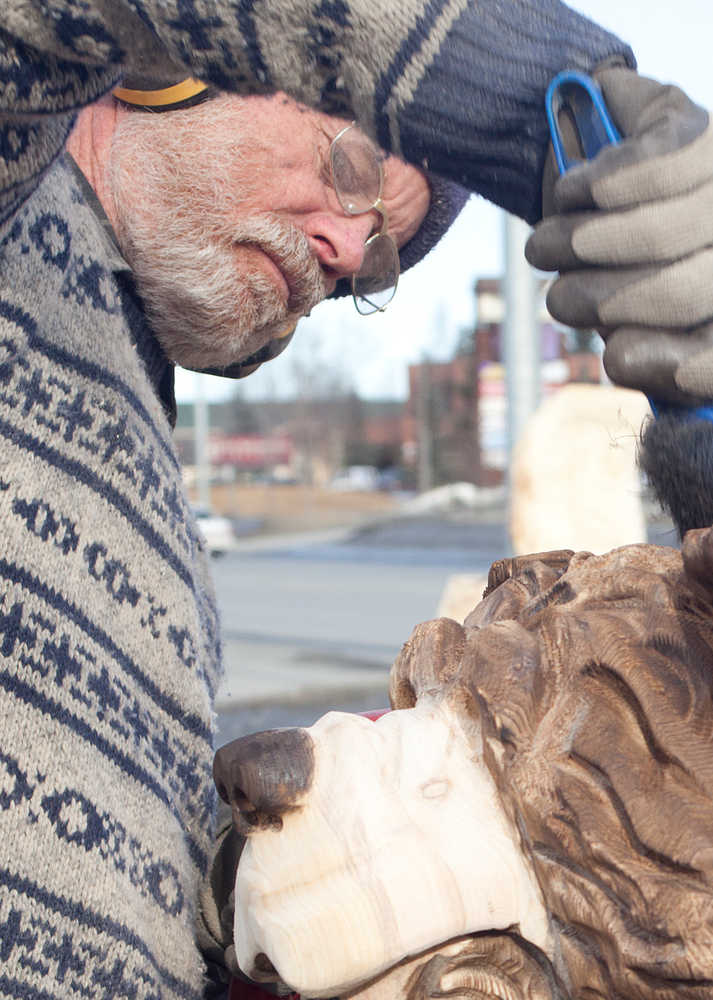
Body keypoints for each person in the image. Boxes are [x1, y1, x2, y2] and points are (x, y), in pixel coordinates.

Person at [2, 3, 713, 1000]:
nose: (343, 248)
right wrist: (529, 102)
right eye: (346, 170)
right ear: (183, 63)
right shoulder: (17, 207)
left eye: (375, 260)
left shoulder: (116, 395)